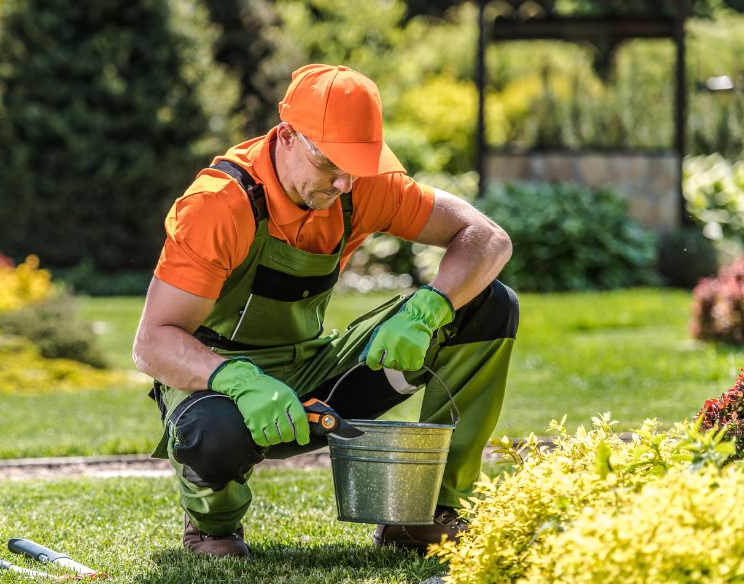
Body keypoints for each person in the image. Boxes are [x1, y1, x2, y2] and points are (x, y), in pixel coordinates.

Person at [133, 64, 517, 558]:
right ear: (288, 135)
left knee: (490, 304)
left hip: (317, 374)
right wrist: (239, 380)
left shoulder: (359, 185)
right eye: (331, 163)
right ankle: (213, 528)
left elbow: (488, 239)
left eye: (356, 166)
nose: (343, 183)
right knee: (210, 433)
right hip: (219, 389)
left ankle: (427, 515)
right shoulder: (219, 205)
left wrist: (429, 308)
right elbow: (153, 342)